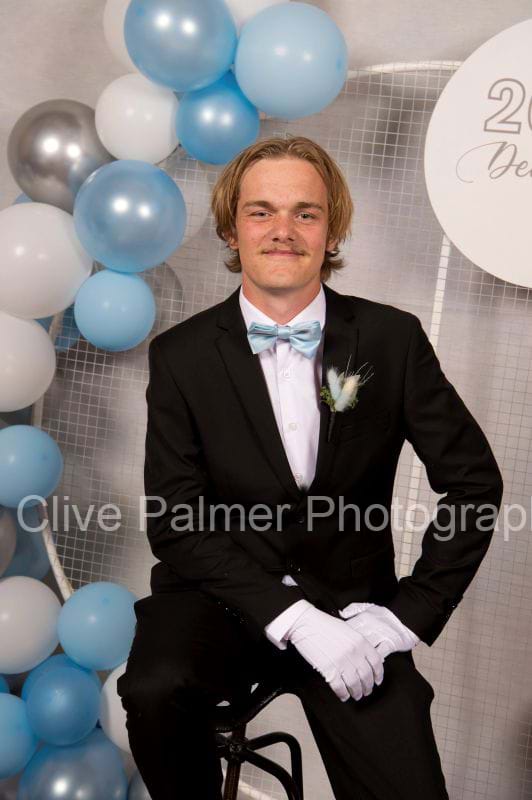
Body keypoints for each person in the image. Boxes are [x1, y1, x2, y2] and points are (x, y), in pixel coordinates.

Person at [117, 135, 503, 800]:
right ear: (231, 229)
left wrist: (403, 617)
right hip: (217, 601)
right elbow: (177, 522)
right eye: (261, 211)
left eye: (306, 212)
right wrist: (295, 618)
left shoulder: (391, 339)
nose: (283, 230)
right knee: (155, 689)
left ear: (332, 230)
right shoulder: (181, 355)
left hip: (355, 608)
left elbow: (474, 483)